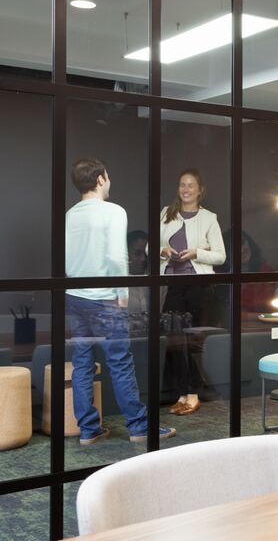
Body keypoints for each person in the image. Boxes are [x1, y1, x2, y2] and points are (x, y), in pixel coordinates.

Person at [65, 158, 175, 444]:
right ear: (101, 178)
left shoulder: (70, 214)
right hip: (105, 298)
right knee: (120, 362)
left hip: (74, 296)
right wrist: (123, 294)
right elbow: (116, 255)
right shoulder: (113, 211)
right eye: (108, 175)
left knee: (82, 364)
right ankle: (139, 426)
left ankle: (89, 430)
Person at [158, 168, 226, 416]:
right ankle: (180, 394)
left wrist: (196, 252)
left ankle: (193, 394)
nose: (185, 189)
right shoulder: (167, 213)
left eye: (190, 185)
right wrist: (163, 251)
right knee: (174, 341)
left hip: (198, 286)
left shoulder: (209, 218)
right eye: (181, 185)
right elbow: (149, 247)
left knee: (192, 341)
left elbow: (220, 256)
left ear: (200, 190)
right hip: (173, 285)